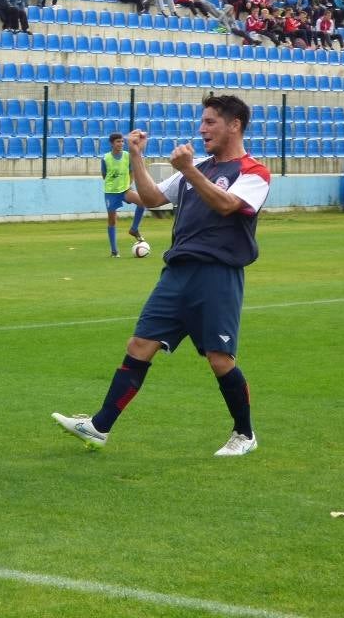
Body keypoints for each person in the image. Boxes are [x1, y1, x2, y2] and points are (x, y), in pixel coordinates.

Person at [53, 94, 271, 457]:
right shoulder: (200, 167)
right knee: (139, 345)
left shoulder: (253, 172)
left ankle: (244, 434)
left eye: (210, 122)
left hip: (217, 275)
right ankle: (99, 426)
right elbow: (152, 198)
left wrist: (188, 170)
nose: (202, 129)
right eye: (202, 122)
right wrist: (138, 157)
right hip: (177, 272)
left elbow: (227, 205)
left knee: (220, 359)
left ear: (234, 125)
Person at [101, 132, 147, 258]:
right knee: (112, 219)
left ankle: (134, 229)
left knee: (142, 202)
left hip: (125, 190)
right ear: (112, 143)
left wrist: (128, 183)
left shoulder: (127, 156)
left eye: (122, 141)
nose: (121, 144)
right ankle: (114, 251)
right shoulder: (106, 158)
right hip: (111, 193)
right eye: (118, 142)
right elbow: (104, 175)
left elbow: (131, 171)